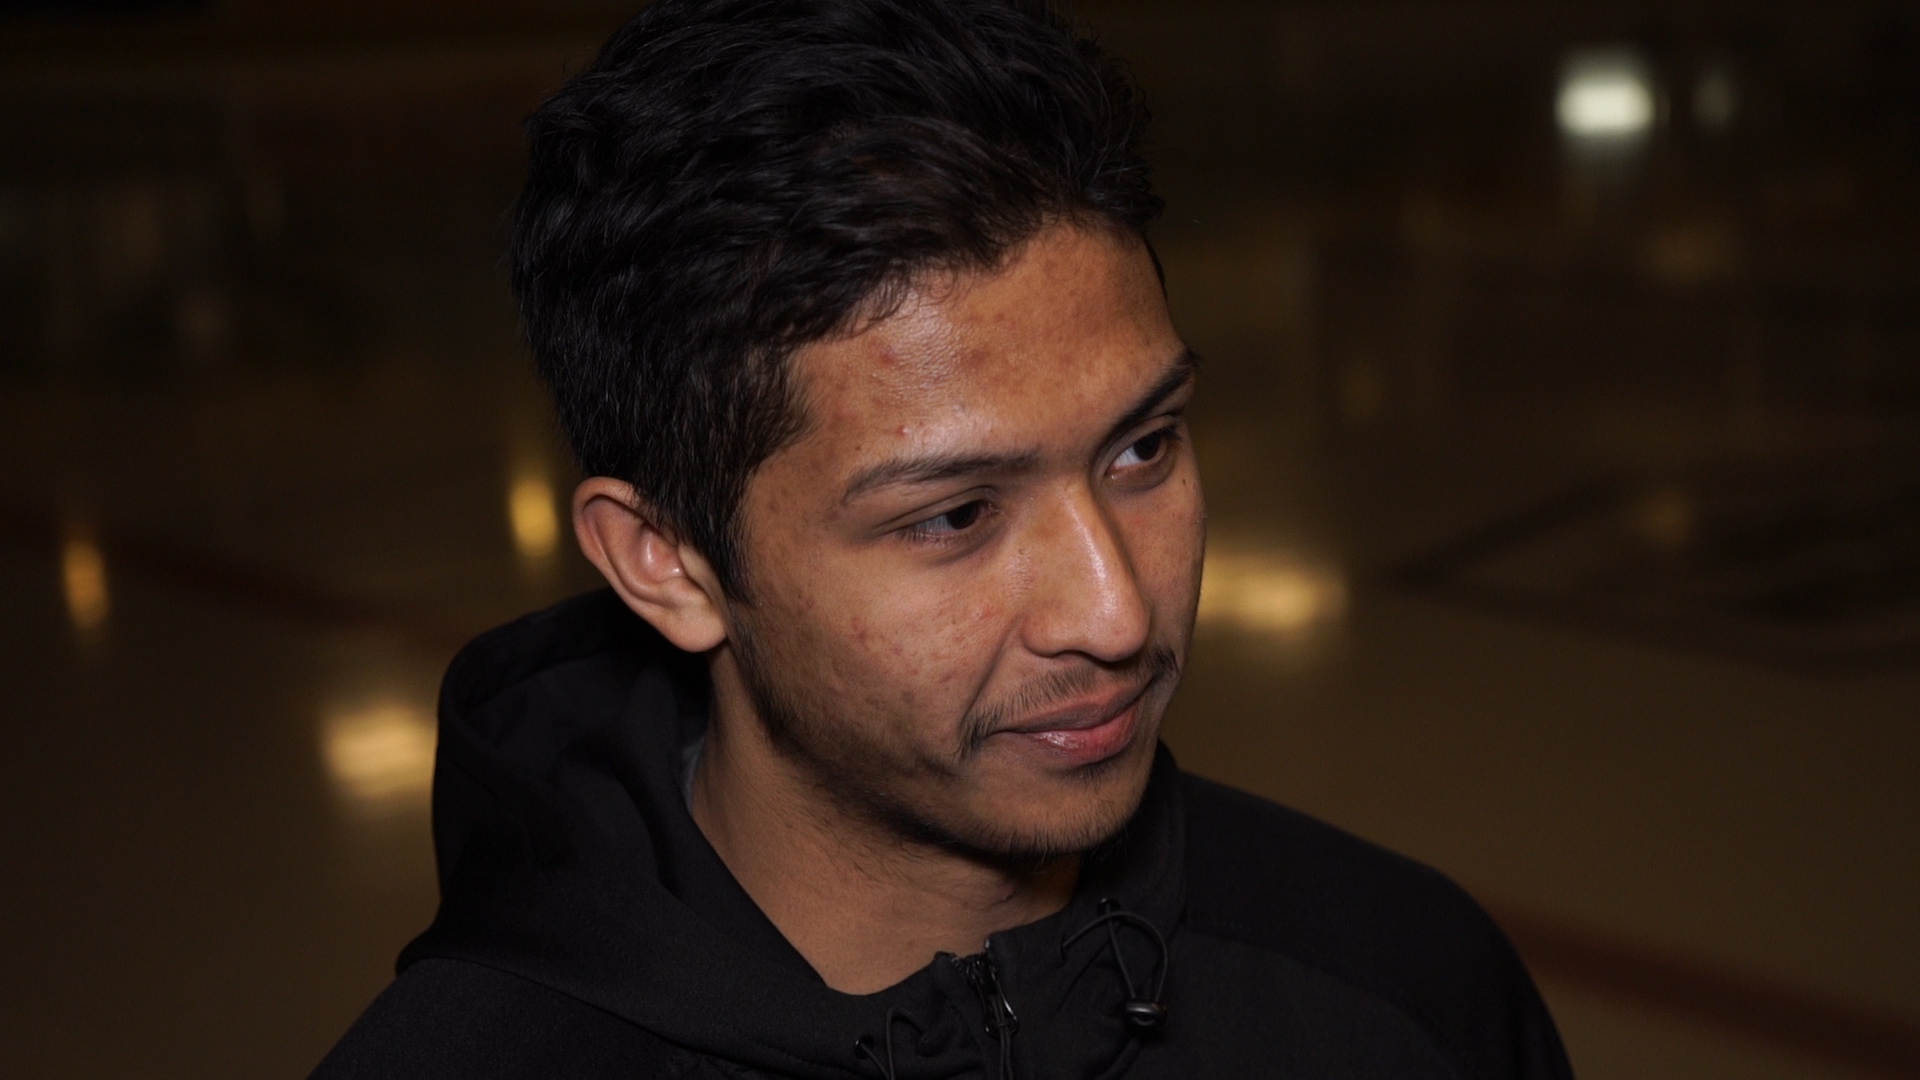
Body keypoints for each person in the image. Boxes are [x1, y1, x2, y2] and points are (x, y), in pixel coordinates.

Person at [315, 1, 1572, 1076]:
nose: (1117, 613)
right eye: (956, 515)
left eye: (1143, 450)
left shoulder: (1400, 988)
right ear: (667, 563)